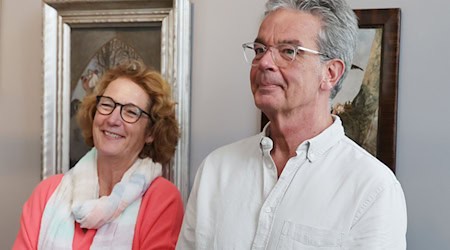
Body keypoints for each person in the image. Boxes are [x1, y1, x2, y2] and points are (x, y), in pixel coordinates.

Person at [177, 0, 407, 249]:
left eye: (289, 51)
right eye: (259, 49)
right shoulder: (216, 170)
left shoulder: (372, 188)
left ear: (330, 73)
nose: (264, 62)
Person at [14, 60, 184, 249]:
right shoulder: (46, 194)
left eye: (130, 112)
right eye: (107, 104)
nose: (113, 119)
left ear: (151, 132)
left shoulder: (161, 200)